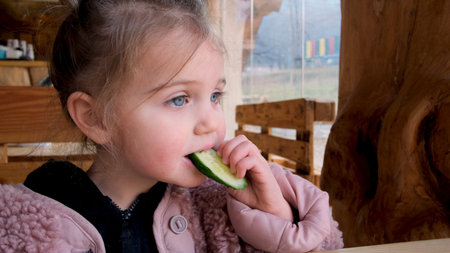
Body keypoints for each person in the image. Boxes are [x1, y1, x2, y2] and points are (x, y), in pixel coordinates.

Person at [0, 0, 343, 252]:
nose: (211, 122)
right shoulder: (29, 230)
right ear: (96, 118)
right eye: (179, 99)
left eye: (215, 95)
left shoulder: (219, 210)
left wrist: (271, 212)